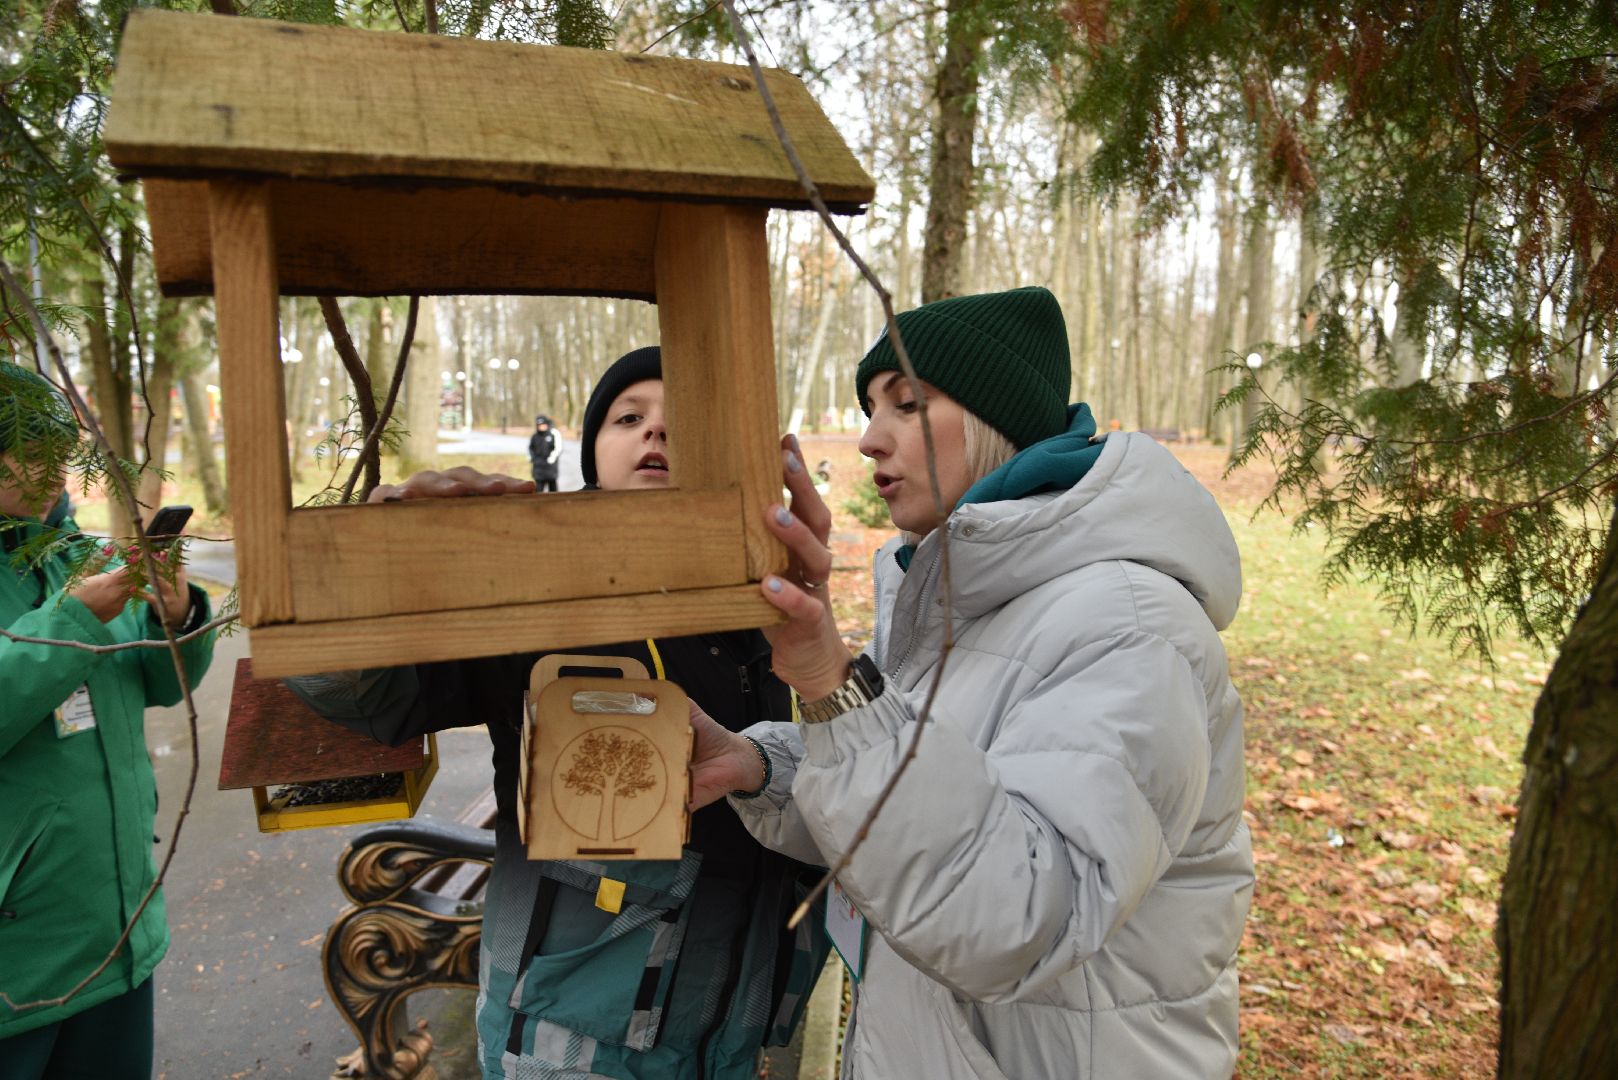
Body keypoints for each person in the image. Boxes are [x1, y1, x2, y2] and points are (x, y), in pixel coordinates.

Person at [687, 286, 1254, 1078]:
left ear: (996, 423)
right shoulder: (968, 597)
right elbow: (928, 818)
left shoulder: (1129, 625)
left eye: (907, 403)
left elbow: (1012, 914)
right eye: (868, 407)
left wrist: (830, 682)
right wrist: (764, 766)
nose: (867, 439)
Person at [289, 346, 828, 1080]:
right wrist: (371, 579)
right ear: (591, 458)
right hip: (575, 1040)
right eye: (629, 417)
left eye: (685, 425)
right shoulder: (539, 600)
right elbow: (360, 691)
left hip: (729, 1030)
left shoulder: (760, 611)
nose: (656, 436)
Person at [0, 362, 217, 1079]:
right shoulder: (74, 586)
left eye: (64, 444)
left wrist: (177, 614)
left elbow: (155, 682)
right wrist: (71, 620)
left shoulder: (81, 556)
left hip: (118, 930)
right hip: (20, 964)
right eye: (35, 447)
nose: (60, 466)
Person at [528, 413, 561, 492]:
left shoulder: (553, 434)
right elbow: (530, 448)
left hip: (550, 468)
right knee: (538, 490)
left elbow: (558, 448)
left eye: (543, 424)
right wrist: (532, 458)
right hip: (538, 469)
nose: (541, 426)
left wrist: (552, 458)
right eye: (539, 425)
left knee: (553, 491)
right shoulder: (535, 436)